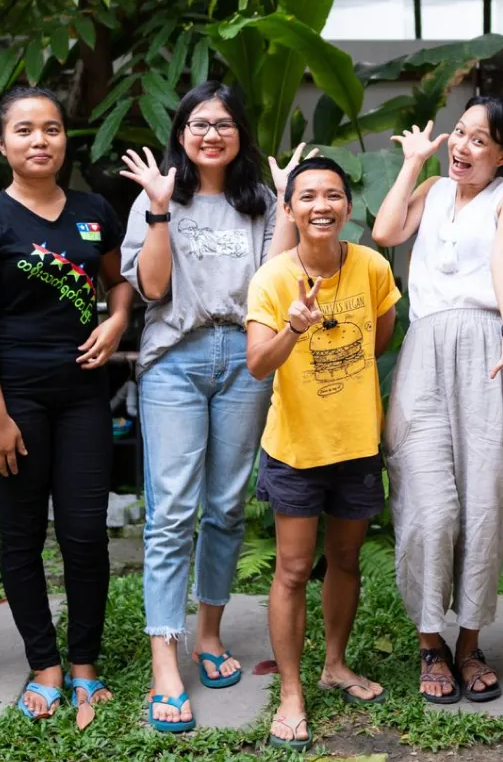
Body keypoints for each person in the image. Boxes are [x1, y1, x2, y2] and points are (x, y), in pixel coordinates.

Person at [117, 81, 302, 732]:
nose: (211, 133)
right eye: (199, 123)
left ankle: (210, 633)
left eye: (223, 123)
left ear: (240, 134)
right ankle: (164, 654)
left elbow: (271, 285)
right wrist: (162, 211)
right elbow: (154, 286)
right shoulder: (156, 199)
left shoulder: (256, 205)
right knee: (172, 510)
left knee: (225, 504)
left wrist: (284, 208)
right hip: (175, 357)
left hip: (245, 360)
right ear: (182, 133)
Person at [0, 87, 134, 728]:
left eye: (51, 129)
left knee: (85, 534)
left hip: (85, 398)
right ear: (2, 144)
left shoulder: (92, 211)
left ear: (64, 139)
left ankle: (84, 663)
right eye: (24, 130)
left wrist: (115, 324)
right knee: (24, 538)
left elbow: (119, 283)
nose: (40, 140)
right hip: (14, 400)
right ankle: (45, 665)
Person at [372, 100, 503, 705]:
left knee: (486, 500)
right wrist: (412, 163)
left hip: (490, 346)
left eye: (481, 141)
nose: (465, 148)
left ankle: (468, 644)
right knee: (428, 504)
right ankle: (430, 643)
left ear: (502, 153)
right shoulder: (430, 187)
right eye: (461, 135)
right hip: (423, 350)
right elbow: (385, 232)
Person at [245, 157, 400, 750]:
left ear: (346, 207)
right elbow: (259, 363)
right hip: (296, 448)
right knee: (291, 569)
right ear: (289, 209)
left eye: (332, 195)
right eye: (307, 196)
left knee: (347, 561)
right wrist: (293, 328)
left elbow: (381, 335)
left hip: (356, 443)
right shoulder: (273, 278)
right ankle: (291, 692)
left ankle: (335, 664)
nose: (321, 206)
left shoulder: (371, 267)